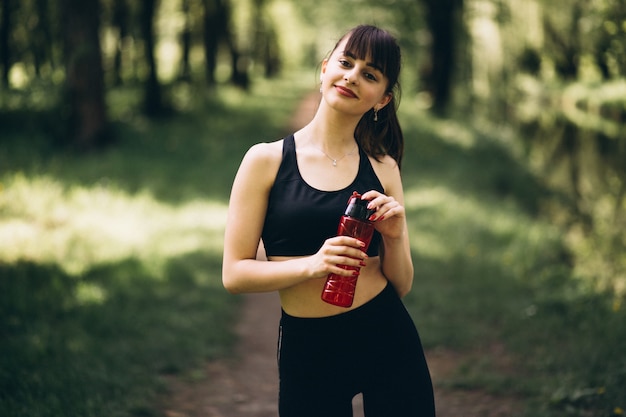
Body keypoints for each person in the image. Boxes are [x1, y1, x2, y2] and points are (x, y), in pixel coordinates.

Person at [222, 24, 436, 417]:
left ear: (382, 100)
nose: (353, 76)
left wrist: (394, 236)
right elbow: (234, 275)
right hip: (310, 349)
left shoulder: (383, 167)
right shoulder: (266, 161)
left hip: (385, 335)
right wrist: (314, 265)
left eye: (370, 74)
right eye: (346, 62)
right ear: (324, 70)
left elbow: (402, 284)